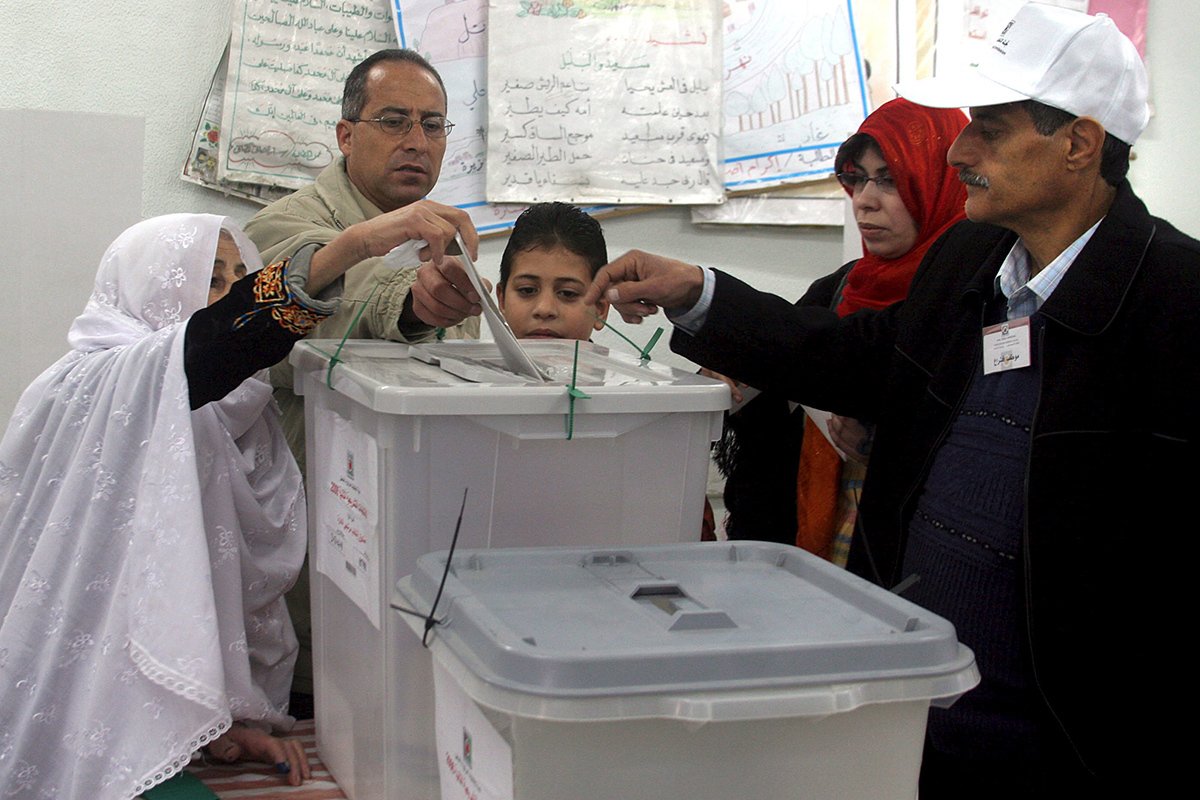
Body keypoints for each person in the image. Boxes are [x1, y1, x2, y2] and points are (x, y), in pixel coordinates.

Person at [584, 4, 1197, 795]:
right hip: (916, 724)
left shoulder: (1178, 305)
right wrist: (698, 292)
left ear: (1079, 142)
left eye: (991, 129)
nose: (961, 151)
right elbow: (852, 359)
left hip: (1069, 753)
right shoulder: (971, 260)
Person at [0, 212, 470, 799]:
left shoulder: (236, 413)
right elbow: (213, 344)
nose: (231, 296)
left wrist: (216, 728)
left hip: (160, 720)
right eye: (211, 280)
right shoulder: (100, 382)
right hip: (67, 715)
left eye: (240, 277)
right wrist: (352, 247)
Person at [712, 99, 966, 562]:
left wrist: (884, 438)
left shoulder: (971, 297)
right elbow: (776, 392)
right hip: (809, 555)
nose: (865, 200)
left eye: (890, 179)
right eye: (856, 177)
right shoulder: (839, 288)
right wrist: (733, 384)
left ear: (942, 183)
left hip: (911, 560)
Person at [245, 48, 484, 472]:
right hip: (311, 506)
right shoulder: (282, 226)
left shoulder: (447, 240)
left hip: (417, 489)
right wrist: (412, 307)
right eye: (394, 122)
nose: (417, 142)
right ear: (346, 136)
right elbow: (335, 297)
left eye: (432, 126)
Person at [496, 202, 610, 341]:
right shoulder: (472, 362)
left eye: (568, 293)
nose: (544, 309)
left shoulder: (626, 363)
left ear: (600, 309)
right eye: (527, 290)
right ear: (502, 300)